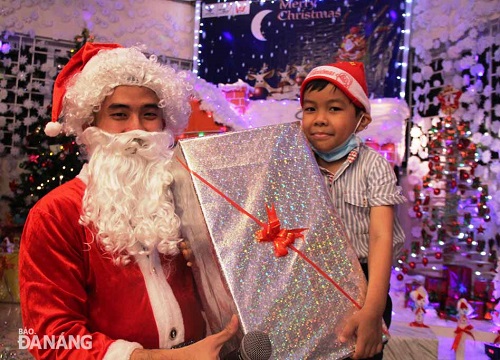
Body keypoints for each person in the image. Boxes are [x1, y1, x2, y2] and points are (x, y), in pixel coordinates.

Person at [19, 42, 238, 360]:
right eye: (119, 114)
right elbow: (53, 340)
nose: (136, 129)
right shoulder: (55, 214)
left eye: (149, 115)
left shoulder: (189, 199)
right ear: (89, 125)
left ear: (165, 124)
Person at [299, 62, 407, 360]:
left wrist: (373, 311)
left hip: (363, 284)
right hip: (309, 285)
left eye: (334, 109)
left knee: (356, 353)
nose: (319, 119)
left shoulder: (375, 167)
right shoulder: (295, 163)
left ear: (361, 120)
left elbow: (381, 239)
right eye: (310, 109)